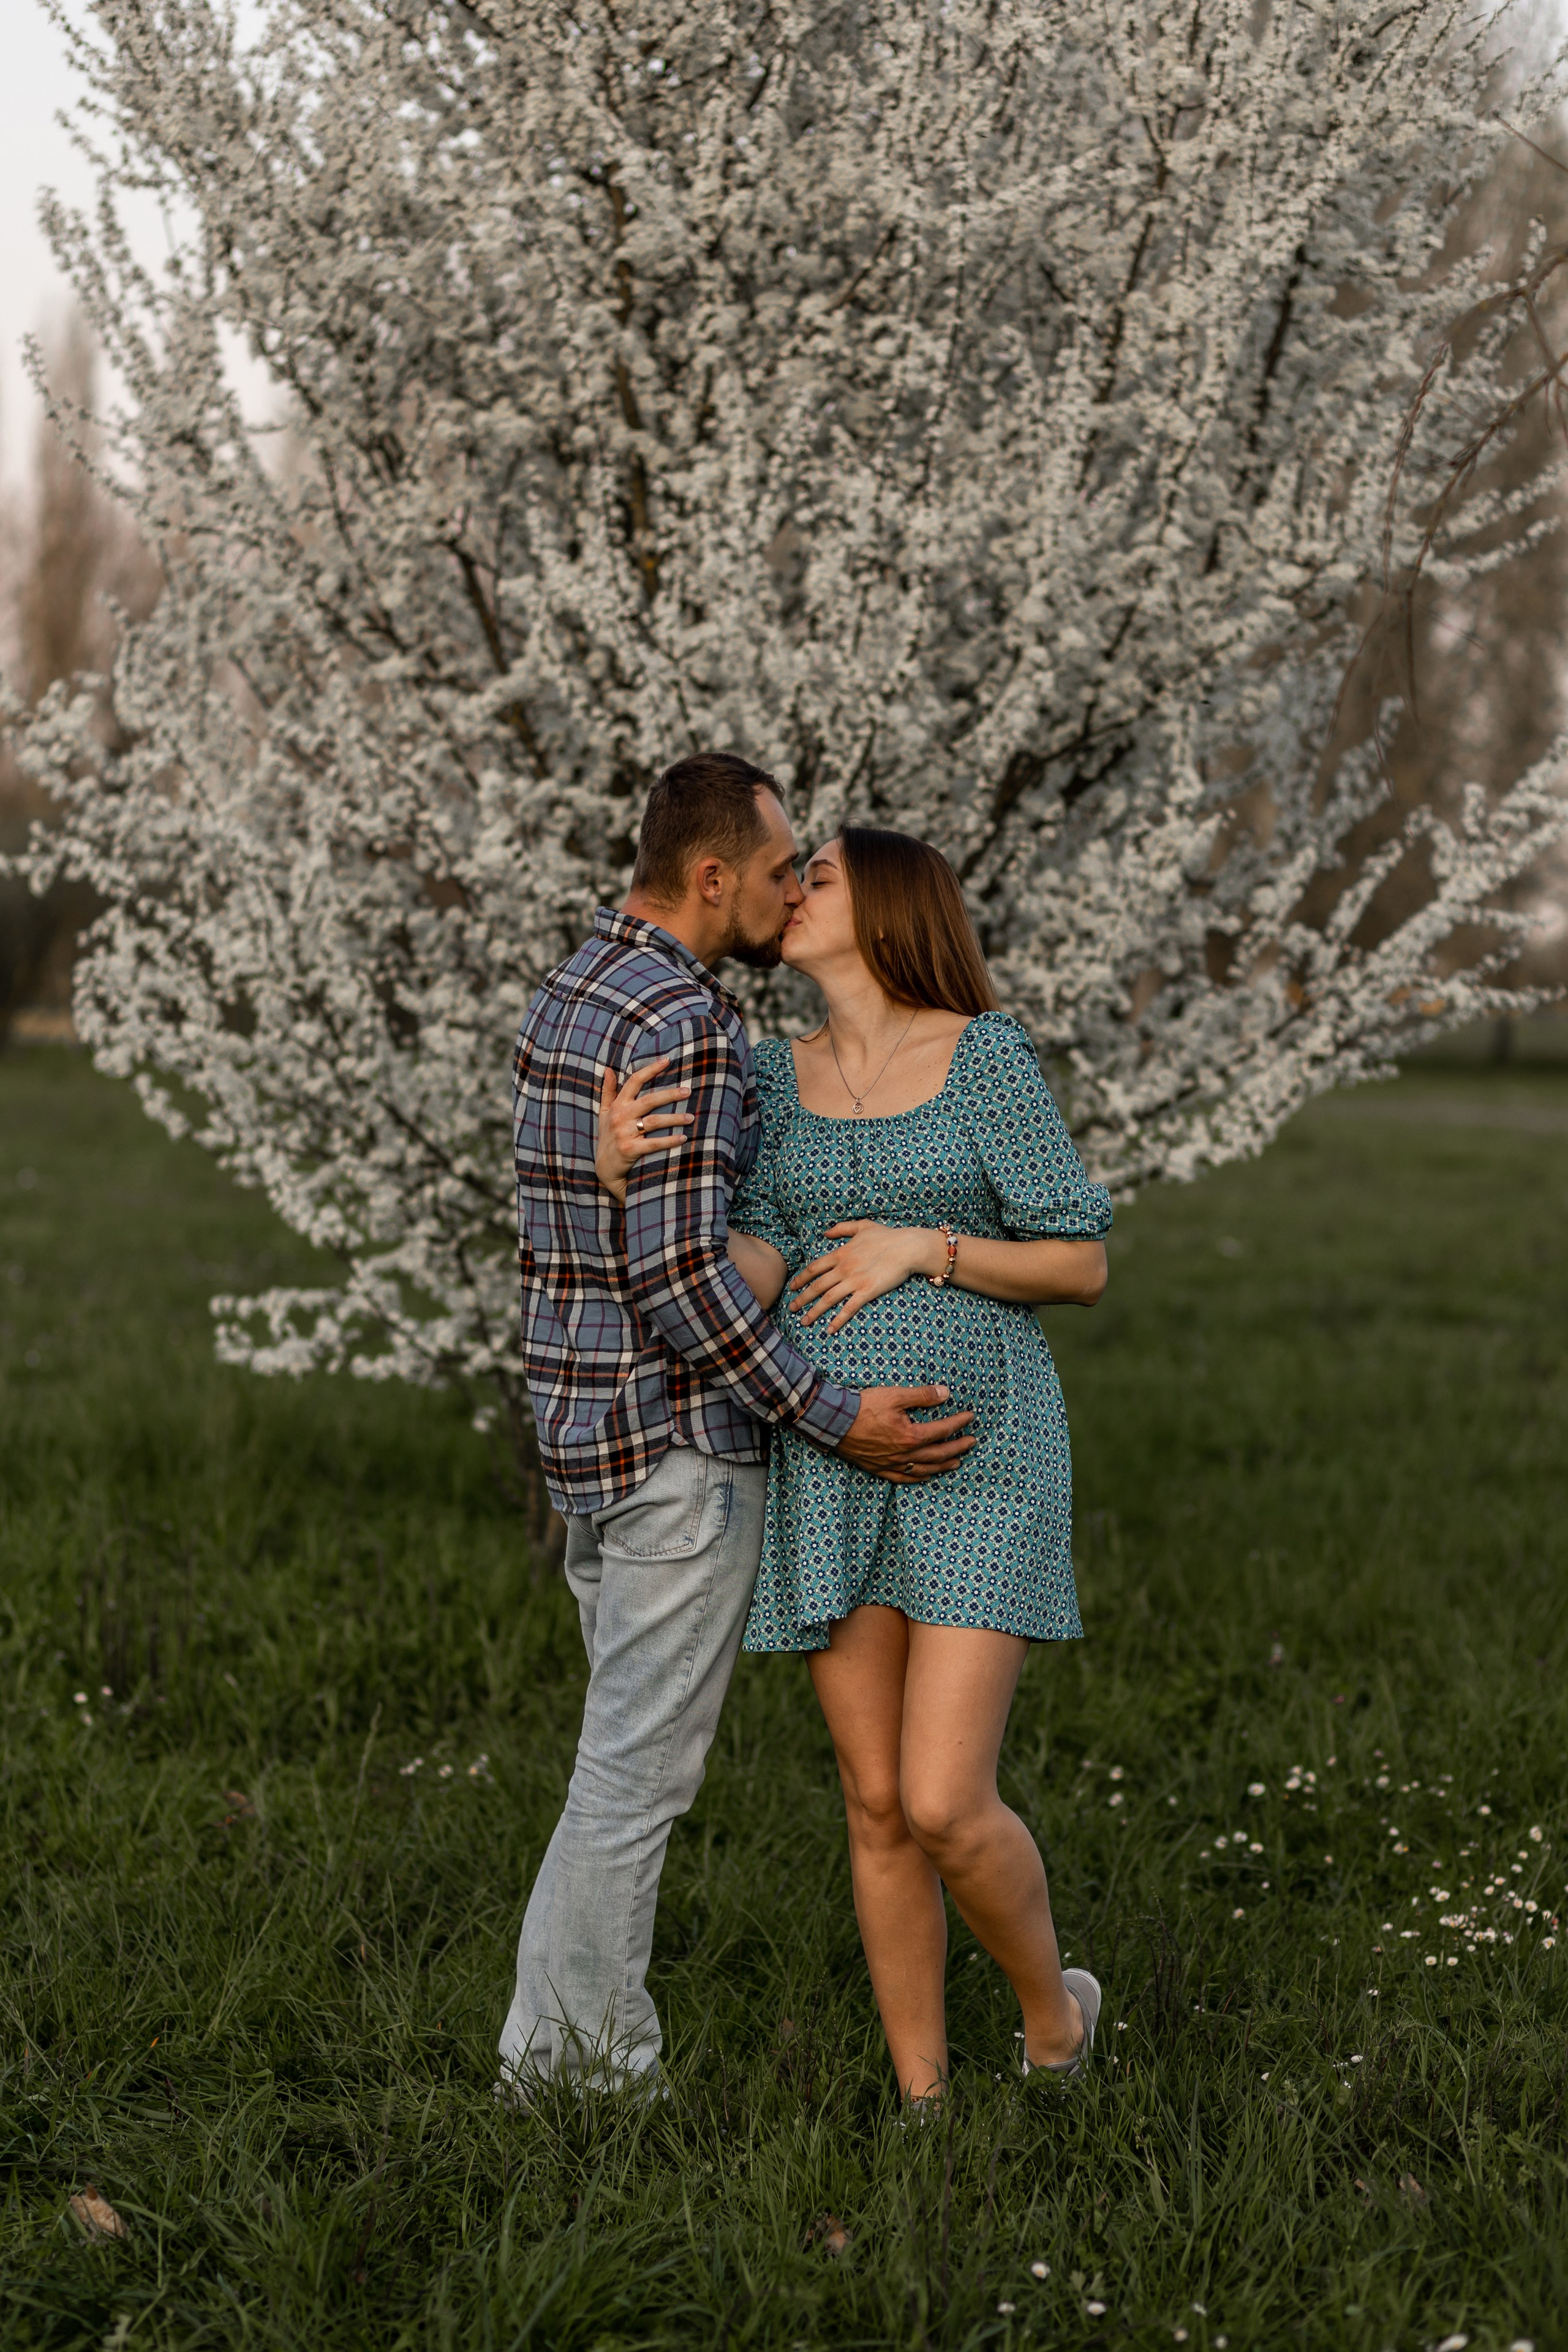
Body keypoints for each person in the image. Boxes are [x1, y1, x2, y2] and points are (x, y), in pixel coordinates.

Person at [597, 824, 1112, 2101]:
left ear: (885, 906)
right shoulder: (770, 1074)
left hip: (978, 1453)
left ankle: (1054, 2021)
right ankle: (923, 2099)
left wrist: (914, 1249)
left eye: (814, 872)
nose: (789, 888)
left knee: (943, 1798)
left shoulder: (981, 1055)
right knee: (874, 1801)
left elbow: (1077, 1260)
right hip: (831, 1451)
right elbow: (752, 1258)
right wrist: (627, 1184)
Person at [500, 757, 975, 2104]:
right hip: (672, 1456)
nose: (790, 888)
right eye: (777, 870)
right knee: (633, 1780)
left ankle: (556, 2051)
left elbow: (561, 1228)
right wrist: (834, 1415)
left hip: (582, 1441)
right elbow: (679, 1282)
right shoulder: (687, 1025)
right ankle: (582, 2074)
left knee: (616, 1764)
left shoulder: (571, 997)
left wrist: (611, 1186)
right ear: (710, 878)